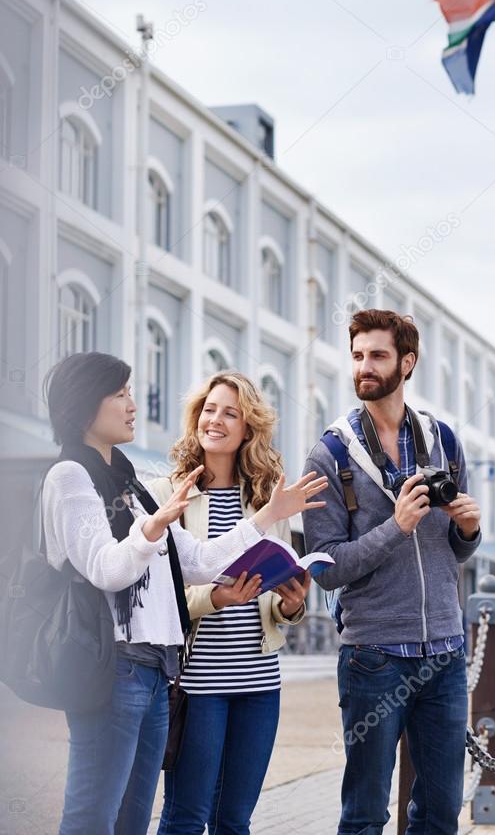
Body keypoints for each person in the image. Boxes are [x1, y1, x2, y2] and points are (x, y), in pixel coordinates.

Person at [41, 352, 327, 835]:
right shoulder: (74, 475)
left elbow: (199, 562)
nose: (134, 404)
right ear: (86, 404)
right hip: (118, 666)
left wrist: (268, 517)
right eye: (121, 394)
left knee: (132, 818)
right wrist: (155, 530)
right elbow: (105, 568)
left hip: (156, 670)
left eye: (130, 392)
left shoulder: (130, 483)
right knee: (98, 814)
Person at [302, 309, 482, 835]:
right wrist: (396, 527)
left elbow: (455, 551)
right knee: (364, 816)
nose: (364, 367)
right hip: (374, 658)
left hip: (445, 653)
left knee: (440, 814)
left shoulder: (443, 439)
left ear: (407, 362)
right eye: (357, 355)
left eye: (377, 355)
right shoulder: (329, 454)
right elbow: (326, 568)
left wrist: (468, 530)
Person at [152, 371, 311, 835]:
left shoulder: (267, 499)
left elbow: (278, 594)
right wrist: (215, 598)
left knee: (235, 821)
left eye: (230, 413)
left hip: (260, 684)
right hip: (199, 683)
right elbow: (161, 591)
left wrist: (290, 605)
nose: (215, 420)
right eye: (209, 409)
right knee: (185, 819)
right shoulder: (170, 494)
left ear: (248, 429)